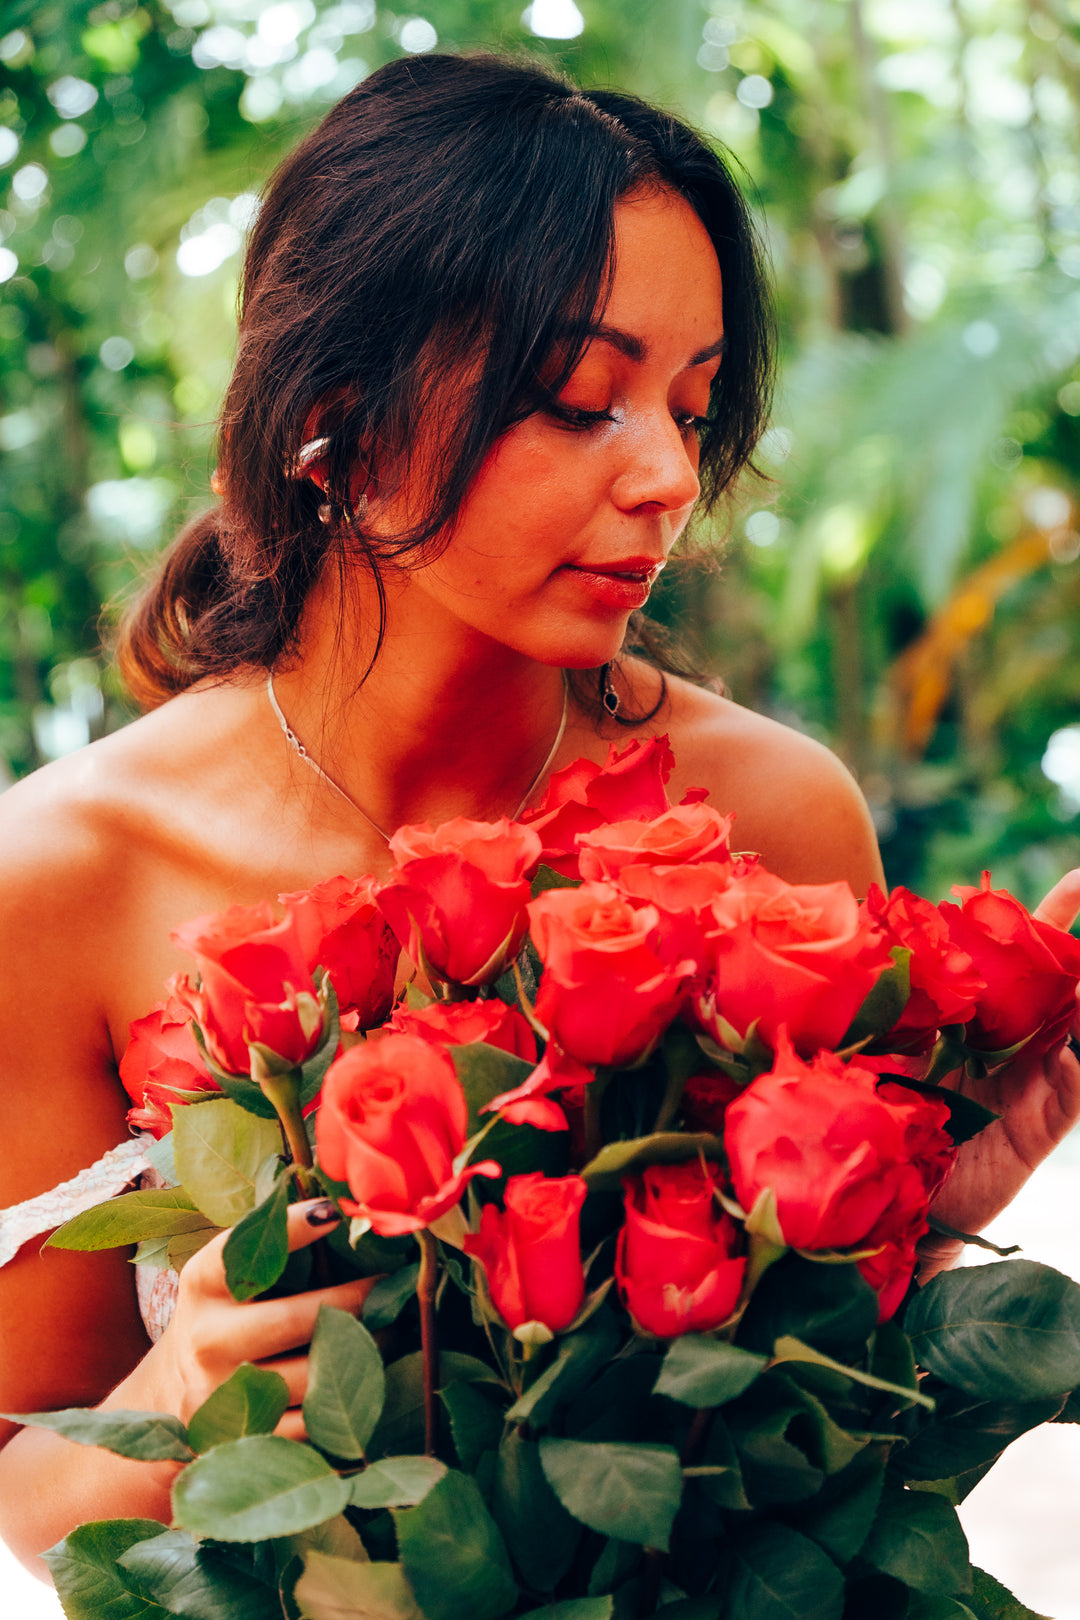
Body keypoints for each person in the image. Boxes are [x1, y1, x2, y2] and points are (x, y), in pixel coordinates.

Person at [0, 51, 1077, 1575]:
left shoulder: (771, 818)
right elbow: (27, 1481)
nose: (665, 479)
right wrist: (182, 1394)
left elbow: (815, 1498)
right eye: (583, 400)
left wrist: (920, 1225)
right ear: (337, 417)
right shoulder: (64, 877)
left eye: (694, 408)